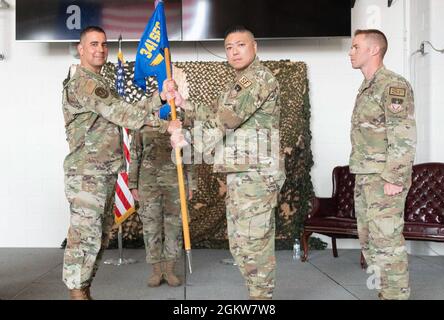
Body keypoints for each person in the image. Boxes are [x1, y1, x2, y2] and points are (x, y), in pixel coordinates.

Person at [168, 26, 285, 300]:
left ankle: (261, 299)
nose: (234, 51)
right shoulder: (240, 81)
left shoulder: (256, 78)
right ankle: (257, 296)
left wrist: (187, 139)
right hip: (242, 174)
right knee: (242, 243)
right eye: (229, 47)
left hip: (256, 176)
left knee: (253, 244)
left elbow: (226, 121)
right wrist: (185, 104)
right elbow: (219, 114)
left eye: (240, 45)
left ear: (254, 46)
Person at [61, 26, 174, 300]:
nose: (100, 49)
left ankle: (83, 290)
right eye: (93, 44)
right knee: (84, 239)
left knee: (98, 238)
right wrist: (166, 125)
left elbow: (123, 109)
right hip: (87, 174)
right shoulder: (84, 83)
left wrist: (159, 96)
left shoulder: (100, 84)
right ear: (80, 48)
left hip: (104, 173)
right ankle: (77, 294)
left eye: (103, 44)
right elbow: (122, 113)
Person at [348, 29, 416, 300]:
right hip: (365, 175)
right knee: (370, 242)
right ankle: (386, 293)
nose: (350, 52)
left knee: (387, 242)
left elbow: (403, 135)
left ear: (373, 50)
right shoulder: (367, 87)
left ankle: (396, 296)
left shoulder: (392, 86)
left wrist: (394, 178)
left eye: (355, 47)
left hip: (384, 178)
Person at [128, 113, 187, 288]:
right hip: (148, 182)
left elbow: (190, 153)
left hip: (175, 181)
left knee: (173, 226)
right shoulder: (143, 118)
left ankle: (169, 270)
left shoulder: (179, 116)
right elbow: (135, 153)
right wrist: (133, 183)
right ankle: (156, 270)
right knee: (151, 226)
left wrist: (191, 184)